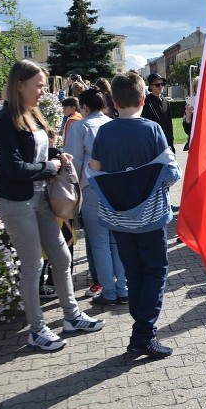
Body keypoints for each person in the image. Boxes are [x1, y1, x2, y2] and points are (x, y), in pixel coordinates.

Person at [0, 60, 104, 351]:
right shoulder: (5, 119)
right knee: (33, 265)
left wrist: (57, 154)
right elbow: (15, 167)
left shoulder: (32, 114)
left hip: (41, 197)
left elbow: (39, 148)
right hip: (16, 200)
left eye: (43, 85)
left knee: (62, 255)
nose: (43, 91)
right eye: (38, 85)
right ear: (20, 85)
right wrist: (51, 165)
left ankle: (71, 316)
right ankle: (37, 330)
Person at [88, 71, 181, 359]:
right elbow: (172, 173)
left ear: (113, 102)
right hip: (150, 218)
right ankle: (143, 334)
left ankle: (142, 330)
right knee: (155, 271)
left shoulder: (105, 131)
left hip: (118, 219)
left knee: (133, 273)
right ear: (143, 98)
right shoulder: (152, 129)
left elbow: (94, 170)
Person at [64, 87, 128, 307]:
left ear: (84, 107)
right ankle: (122, 288)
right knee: (116, 241)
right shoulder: (116, 125)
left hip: (93, 187)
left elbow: (74, 162)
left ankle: (109, 292)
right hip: (118, 187)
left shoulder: (80, 127)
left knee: (100, 242)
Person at [143, 72, 175, 151]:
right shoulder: (146, 101)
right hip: (154, 141)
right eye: (157, 85)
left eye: (162, 84)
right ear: (150, 86)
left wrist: (171, 142)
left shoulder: (166, 101)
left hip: (167, 139)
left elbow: (169, 123)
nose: (160, 86)